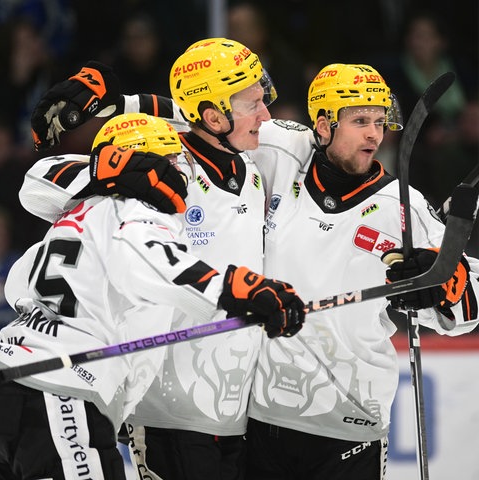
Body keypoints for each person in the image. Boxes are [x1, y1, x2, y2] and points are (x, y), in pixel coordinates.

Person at [26, 57, 479, 478]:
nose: (374, 136)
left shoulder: (404, 208)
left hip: (351, 425)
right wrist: (123, 105)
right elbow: (208, 114)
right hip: (258, 423)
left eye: (379, 123)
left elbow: (465, 304)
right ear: (323, 124)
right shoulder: (281, 152)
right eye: (359, 121)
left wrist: (447, 287)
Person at [23, 38, 304, 480]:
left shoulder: (258, 157)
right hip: (165, 407)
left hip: (238, 408)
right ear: (214, 115)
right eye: (254, 104)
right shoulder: (165, 163)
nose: (267, 115)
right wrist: (103, 171)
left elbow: (329, 147)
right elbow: (37, 184)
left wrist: (124, 102)